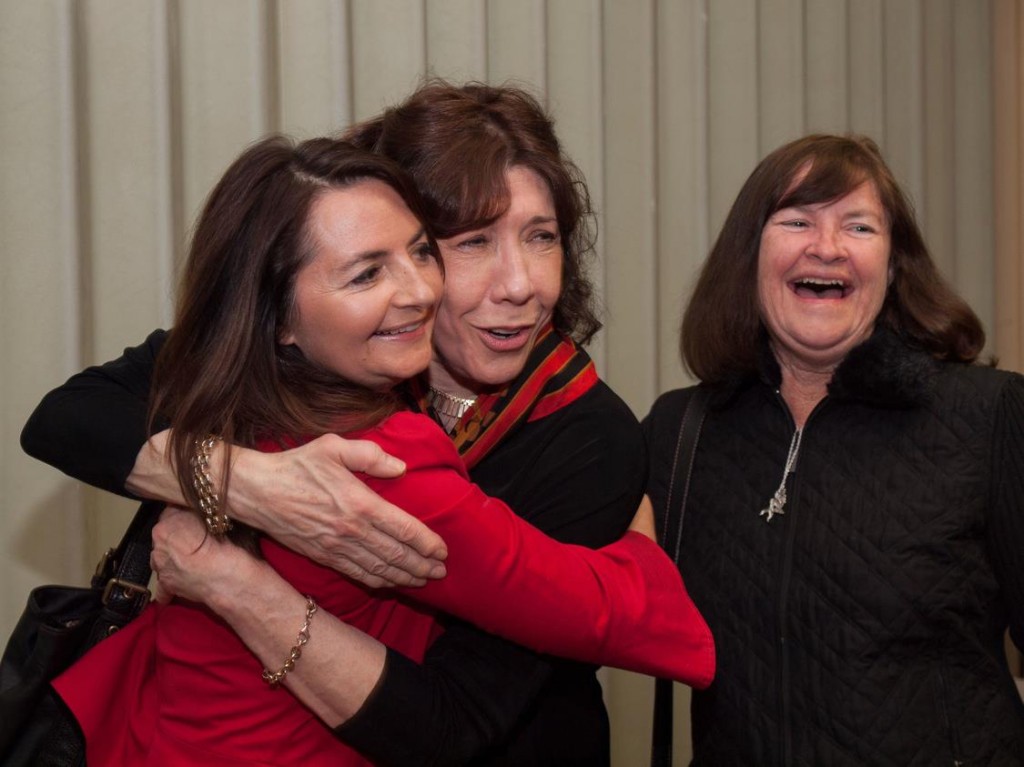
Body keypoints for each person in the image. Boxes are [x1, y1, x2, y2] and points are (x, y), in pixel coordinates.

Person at [21, 82, 714, 765]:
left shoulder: (584, 433)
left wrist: (238, 587)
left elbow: (452, 725)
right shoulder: (290, 366)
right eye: (470, 242)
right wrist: (244, 482)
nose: (520, 284)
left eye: (543, 237)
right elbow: (68, 417)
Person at [642, 133, 1024, 764]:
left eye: (859, 226)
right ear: (750, 256)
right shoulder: (681, 432)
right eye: (796, 221)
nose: (827, 247)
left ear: (895, 263)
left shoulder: (990, 417)